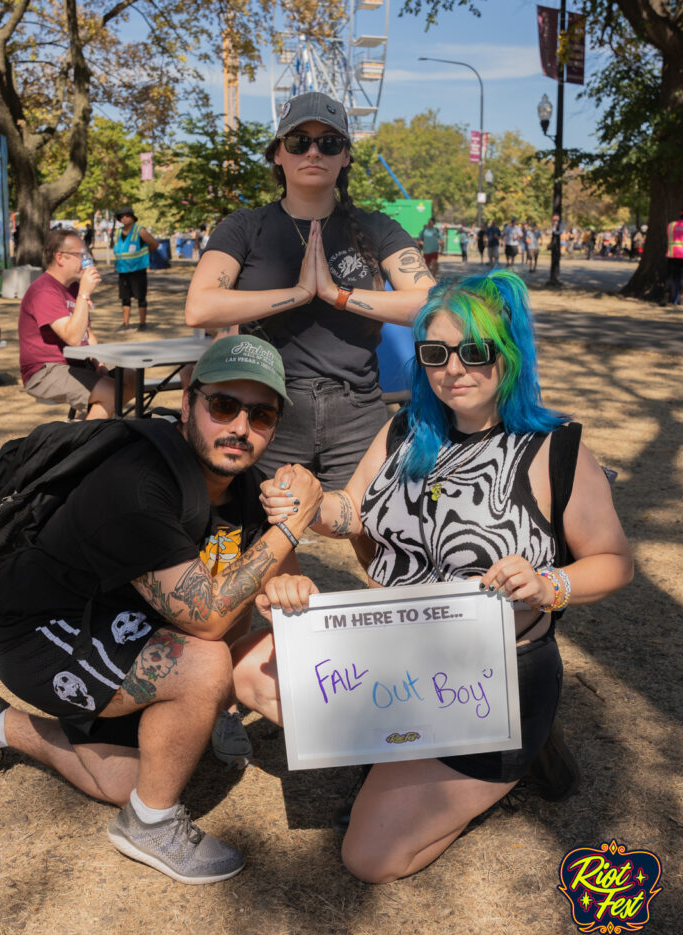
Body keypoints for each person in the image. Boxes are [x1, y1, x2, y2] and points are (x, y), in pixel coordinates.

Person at [243, 270, 633, 884]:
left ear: (508, 355)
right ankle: (413, 756)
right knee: (252, 675)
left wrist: (549, 584)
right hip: (394, 660)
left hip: (491, 680)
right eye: (435, 353)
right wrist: (306, 499)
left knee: (369, 858)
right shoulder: (405, 431)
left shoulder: (554, 448)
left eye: (474, 350)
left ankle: (510, 759)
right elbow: (352, 513)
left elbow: (614, 562)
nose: (454, 368)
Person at [0, 334, 323, 885]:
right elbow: (209, 617)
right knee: (202, 662)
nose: (240, 427)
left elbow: (259, 583)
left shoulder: (241, 485)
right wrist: (291, 527)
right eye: (223, 406)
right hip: (38, 630)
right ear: (189, 399)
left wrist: (289, 562)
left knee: (128, 779)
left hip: (120, 620)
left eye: (260, 415)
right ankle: (150, 824)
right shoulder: (137, 484)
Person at [185, 91, 433, 489]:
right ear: (278, 155)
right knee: (264, 534)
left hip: (358, 408)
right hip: (267, 407)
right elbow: (199, 307)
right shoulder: (245, 227)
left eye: (329, 143)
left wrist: (339, 295)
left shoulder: (377, 228)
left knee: (374, 534)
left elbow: (431, 304)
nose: (314, 152)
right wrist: (299, 293)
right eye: (299, 142)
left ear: (346, 156)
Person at [19, 228, 133, 419]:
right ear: (60, 257)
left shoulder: (73, 288)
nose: (87, 260)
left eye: (87, 254)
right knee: (111, 392)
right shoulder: (44, 290)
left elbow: (87, 333)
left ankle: (81, 431)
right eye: (81, 255)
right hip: (45, 370)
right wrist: (85, 294)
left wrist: (100, 363)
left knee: (130, 377)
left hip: (77, 365)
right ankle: (86, 445)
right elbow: (73, 337)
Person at [113, 205, 159, 330]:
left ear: (133, 218)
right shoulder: (117, 233)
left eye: (127, 216)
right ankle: (126, 323)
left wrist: (144, 255)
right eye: (121, 217)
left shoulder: (140, 230)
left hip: (138, 270)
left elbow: (154, 244)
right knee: (125, 298)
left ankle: (142, 324)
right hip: (123, 270)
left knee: (141, 297)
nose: (124, 218)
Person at [666, 210, 683, 306]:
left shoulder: (671, 225)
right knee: (682, 277)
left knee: (670, 276)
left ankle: (667, 295)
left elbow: (668, 236)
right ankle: (681, 298)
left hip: (671, 254)